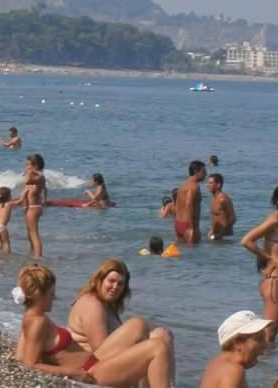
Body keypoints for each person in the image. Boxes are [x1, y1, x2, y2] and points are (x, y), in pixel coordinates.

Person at [15, 265, 173, 387]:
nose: (54, 298)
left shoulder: (33, 317)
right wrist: (71, 372)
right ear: (39, 295)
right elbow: (30, 364)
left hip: (93, 362)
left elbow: (21, 356)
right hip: (90, 372)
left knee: (138, 324)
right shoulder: (38, 322)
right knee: (158, 347)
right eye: (51, 293)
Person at [67, 259, 175, 381]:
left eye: (120, 284)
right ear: (100, 280)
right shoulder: (92, 304)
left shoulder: (107, 305)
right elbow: (100, 349)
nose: (115, 287)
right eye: (111, 281)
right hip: (90, 369)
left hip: (100, 363)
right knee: (138, 325)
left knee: (162, 334)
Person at [241, 181, 278, 342]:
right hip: (275, 280)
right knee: (268, 332)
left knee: (273, 332)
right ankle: (258, 362)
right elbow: (246, 240)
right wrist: (268, 259)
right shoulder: (274, 220)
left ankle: (267, 366)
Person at [199, 310, 272, 388]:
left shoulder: (216, 363)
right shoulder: (233, 370)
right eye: (259, 339)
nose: (265, 345)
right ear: (238, 343)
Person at [174, 160, 206, 244]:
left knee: (183, 254)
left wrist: (178, 225)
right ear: (196, 171)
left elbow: (177, 206)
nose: (205, 174)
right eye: (203, 172)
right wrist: (192, 228)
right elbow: (189, 205)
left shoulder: (182, 186)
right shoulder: (194, 186)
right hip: (189, 225)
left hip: (178, 224)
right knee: (194, 255)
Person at [23, 153, 47, 257]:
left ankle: (38, 258)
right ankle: (33, 252)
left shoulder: (40, 176)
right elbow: (44, 189)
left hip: (34, 208)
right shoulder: (37, 175)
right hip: (31, 207)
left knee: (34, 234)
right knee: (30, 234)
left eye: (28, 164)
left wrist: (29, 172)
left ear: (35, 166)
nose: (26, 167)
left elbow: (27, 181)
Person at [0, 186, 23, 252]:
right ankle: (8, 256)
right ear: (9, 196)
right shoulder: (9, 204)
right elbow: (20, 202)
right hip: (1, 227)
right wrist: (24, 193)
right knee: (6, 243)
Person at [207, 173, 236, 240]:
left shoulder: (223, 199)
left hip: (225, 237)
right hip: (217, 236)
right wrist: (212, 230)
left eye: (211, 183)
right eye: (208, 183)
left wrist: (221, 234)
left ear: (218, 185)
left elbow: (233, 218)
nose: (208, 185)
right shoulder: (214, 198)